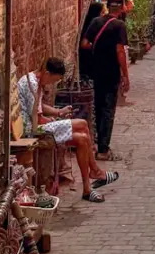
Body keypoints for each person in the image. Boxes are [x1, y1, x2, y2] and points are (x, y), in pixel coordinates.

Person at [17, 58, 116, 204]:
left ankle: (88, 188)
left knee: (82, 139)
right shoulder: (32, 83)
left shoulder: (35, 81)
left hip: (36, 124)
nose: (50, 84)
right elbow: (37, 118)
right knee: (82, 124)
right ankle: (95, 171)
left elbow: (39, 107)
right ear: (47, 73)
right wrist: (52, 120)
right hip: (31, 129)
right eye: (52, 80)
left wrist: (58, 113)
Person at [83, 0, 130, 162]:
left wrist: (98, 50)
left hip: (96, 71)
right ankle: (103, 149)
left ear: (108, 6)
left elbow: (85, 44)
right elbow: (120, 51)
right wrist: (125, 75)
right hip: (111, 73)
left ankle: (99, 142)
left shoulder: (96, 22)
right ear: (122, 6)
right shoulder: (119, 26)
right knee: (108, 110)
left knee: (98, 106)